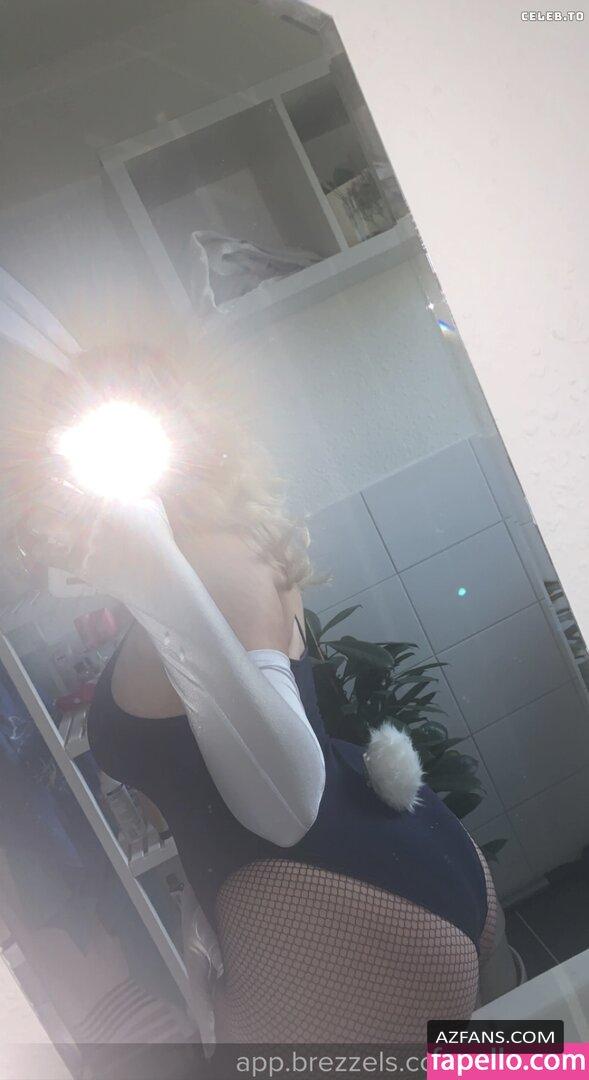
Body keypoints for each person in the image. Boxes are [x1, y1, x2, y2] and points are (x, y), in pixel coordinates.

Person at [21, 344, 512, 1045]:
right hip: (362, 889)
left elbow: (289, 804)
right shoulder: (204, 552)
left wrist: (152, 572)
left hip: (342, 913)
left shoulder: (209, 563)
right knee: (512, 1057)